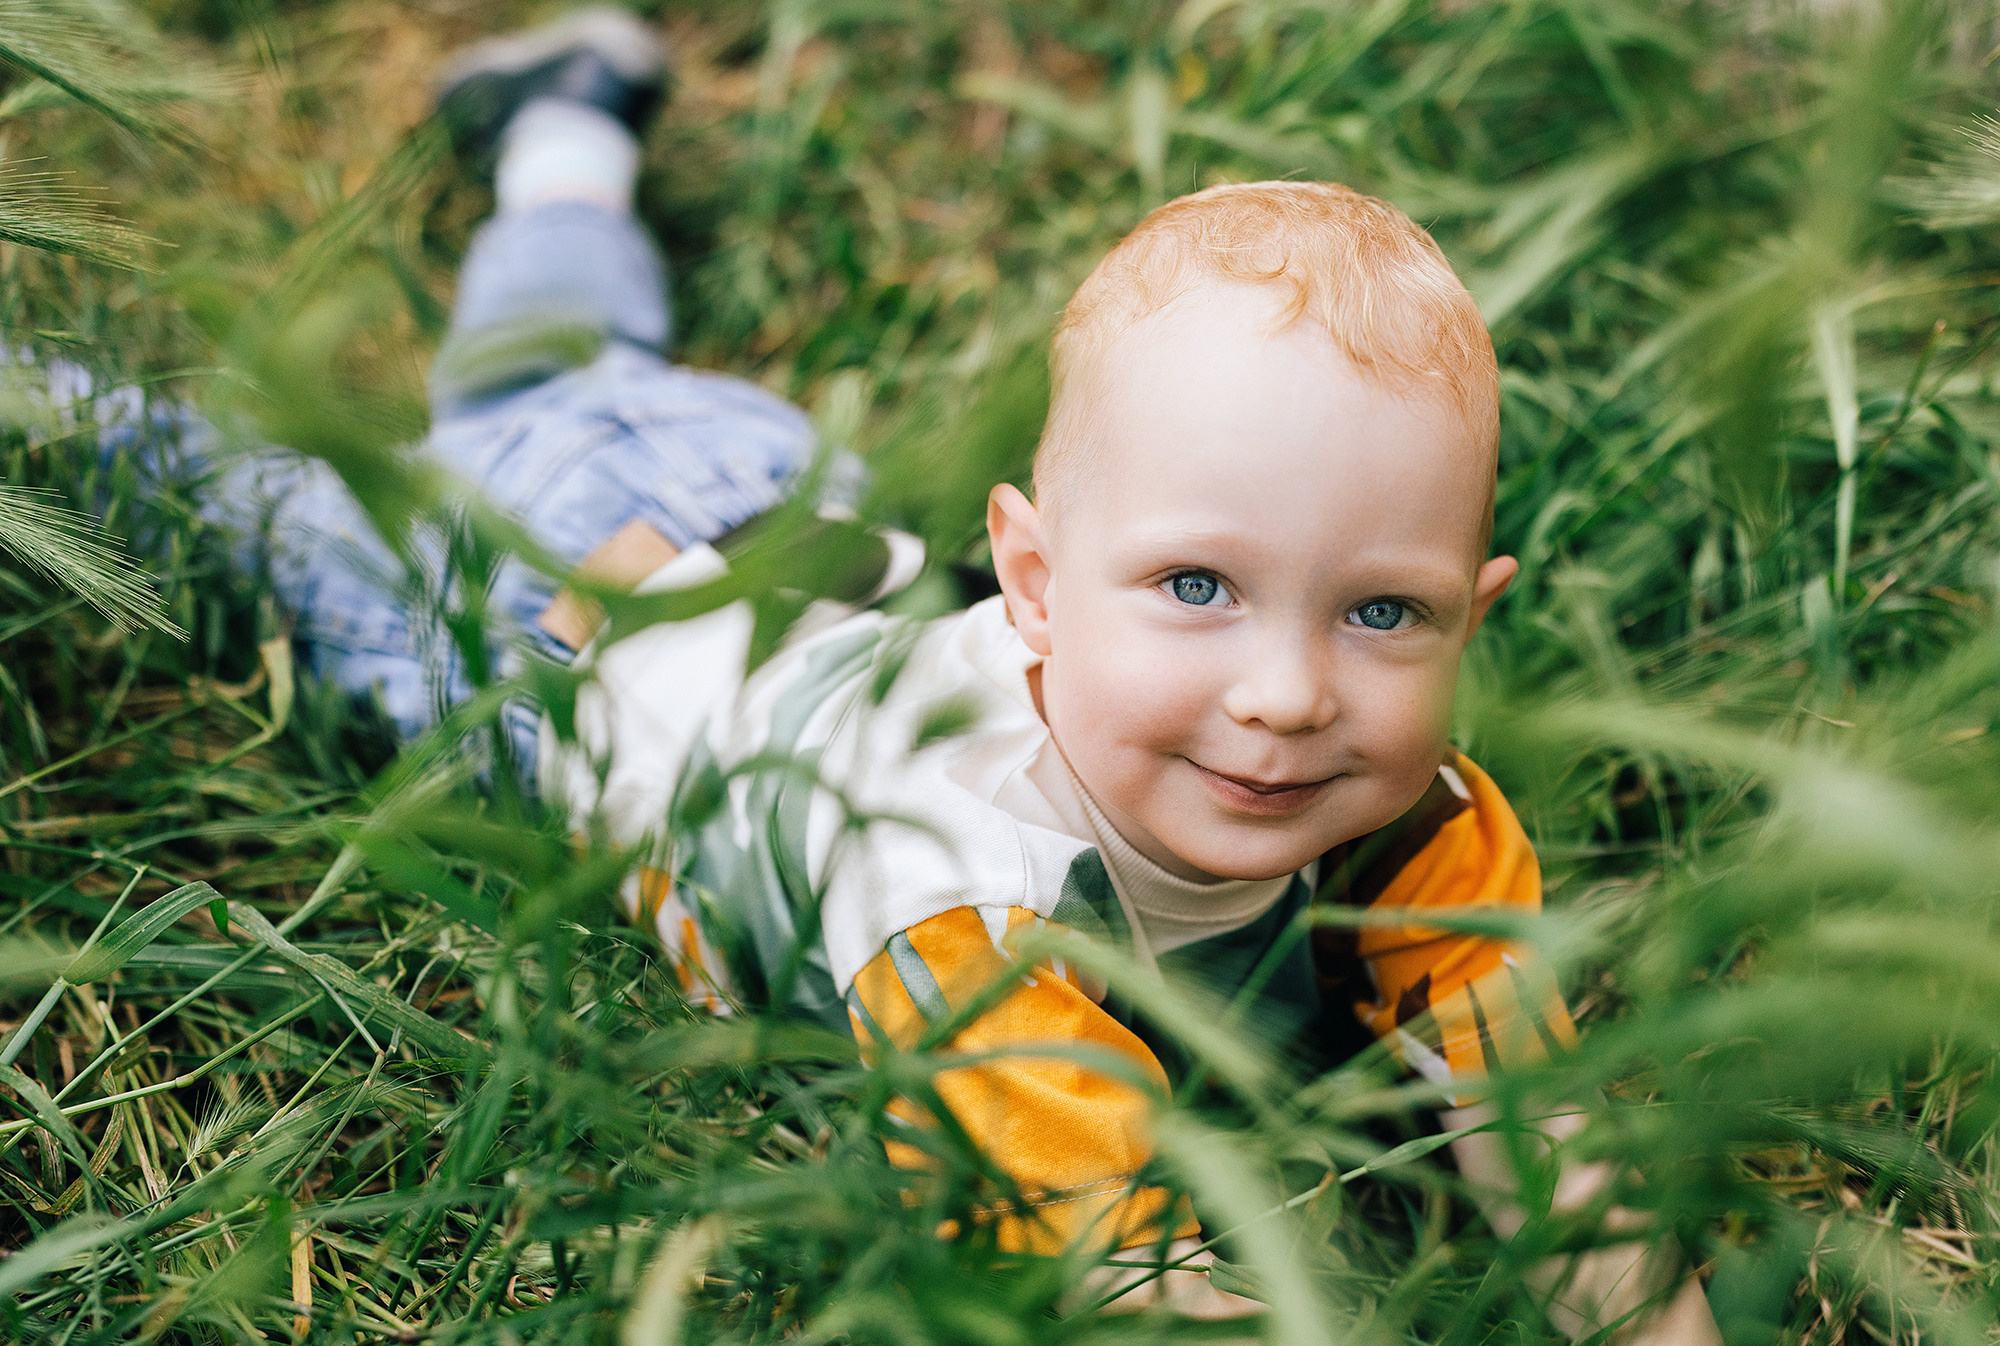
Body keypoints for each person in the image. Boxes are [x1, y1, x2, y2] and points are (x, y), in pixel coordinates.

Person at [133, 9, 1720, 1340]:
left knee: (552, 362)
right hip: (548, 623)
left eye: (1381, 612)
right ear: (1032, 582)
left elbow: (1560, 1153)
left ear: (1470, 616)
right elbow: (1126, 1277)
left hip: (769, 506)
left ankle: (563, 130)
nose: (1290, 693)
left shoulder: (1424, 824)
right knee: (200, 497)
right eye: (1197, 586)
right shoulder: (962, 903)